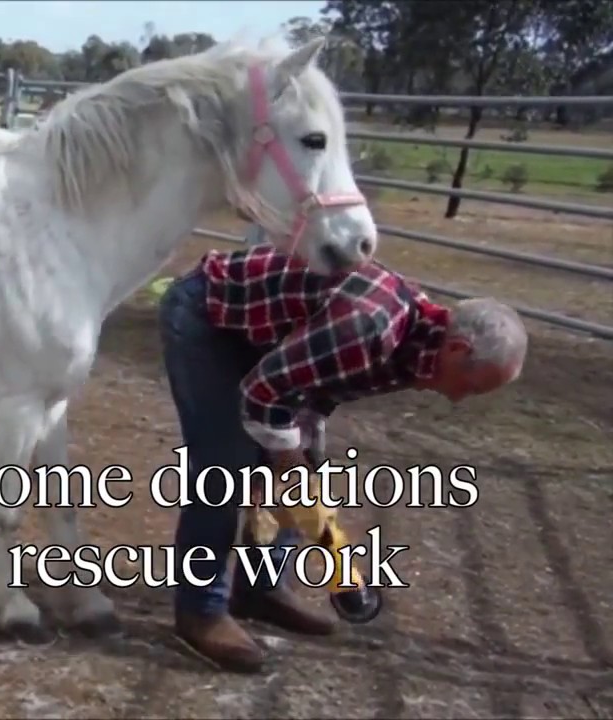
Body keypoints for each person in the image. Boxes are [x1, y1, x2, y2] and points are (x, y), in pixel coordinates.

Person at [157, 236, 528, 674]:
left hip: (268, 336)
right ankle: (199, 611)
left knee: (299, 470)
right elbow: (264, 391)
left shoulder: (418, 349)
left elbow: (316, 386)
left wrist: (296, 460)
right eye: (472, 386)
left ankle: (259, 589)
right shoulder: (370, 329)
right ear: (458, 350)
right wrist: (284, 458)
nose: (461, 399)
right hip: (211, 315)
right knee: (226, 471)